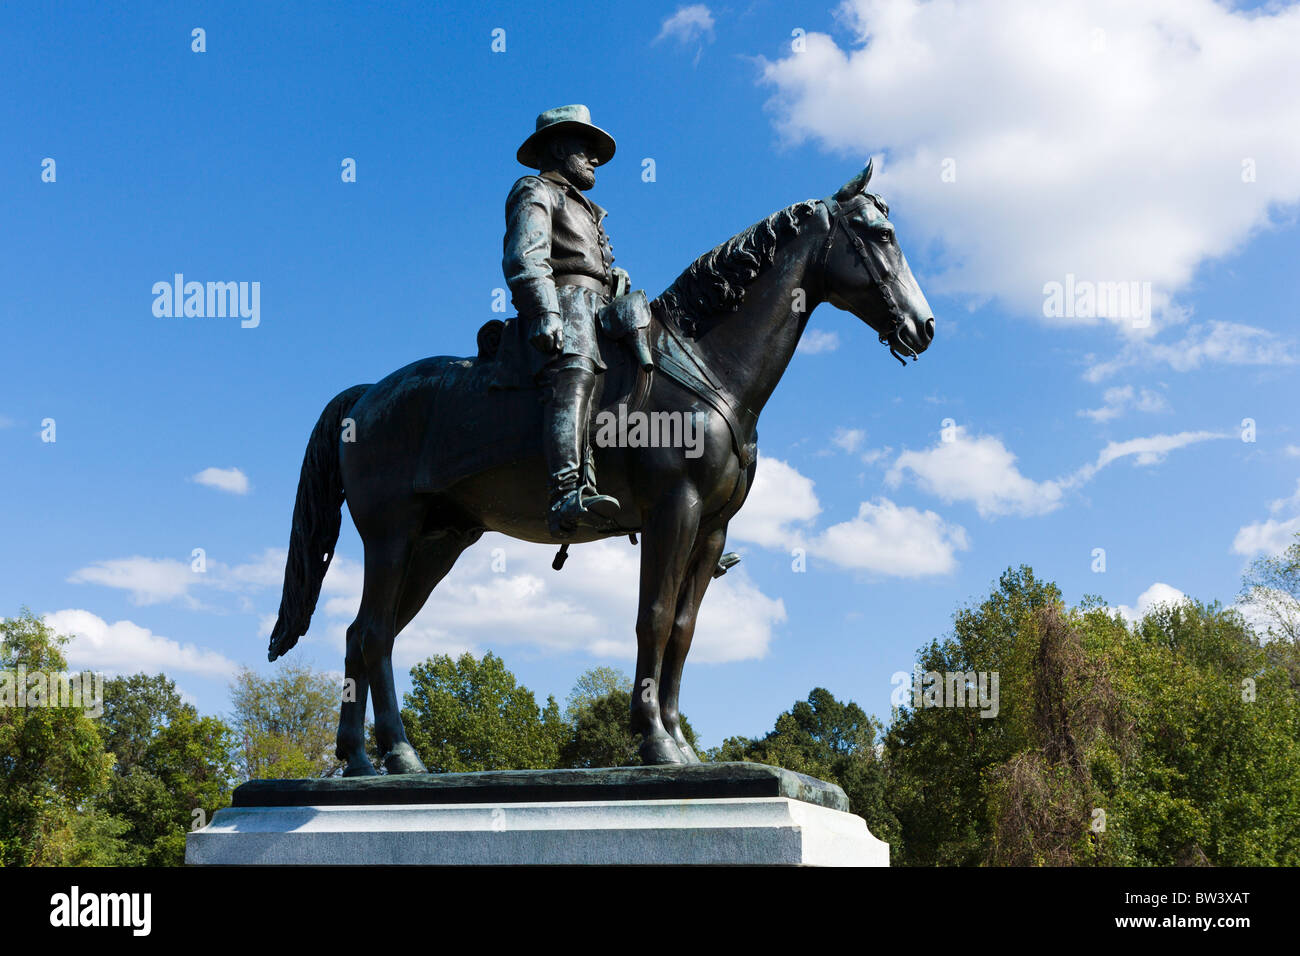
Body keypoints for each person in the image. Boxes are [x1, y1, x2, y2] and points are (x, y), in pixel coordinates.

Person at [503, 104, 629, 537]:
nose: (595, 159)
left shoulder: (590, 210)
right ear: (558, 147)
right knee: (575, 371)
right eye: (585, 148)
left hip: (600, 307)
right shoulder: (535, 189)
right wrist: (544, 311)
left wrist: (613, 282)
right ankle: (566, 491)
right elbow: (525, 256)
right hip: (566, 305)